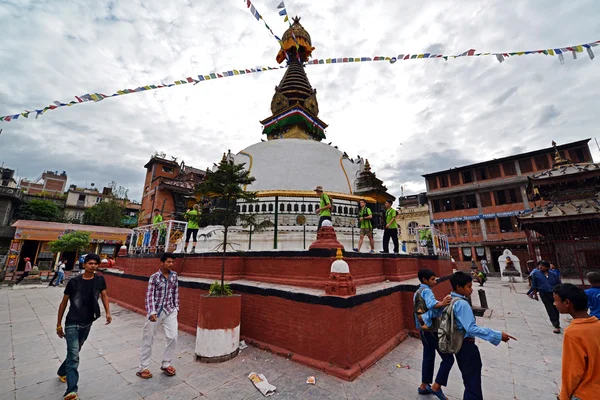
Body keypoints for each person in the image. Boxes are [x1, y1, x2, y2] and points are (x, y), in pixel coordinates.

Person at [449, 271, 516, 400]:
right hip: (466, 345)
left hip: (457, 344)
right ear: (458, 287)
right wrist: (497, 335)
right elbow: (471, 328)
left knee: (469, 381)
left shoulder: (450, 300)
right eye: (468, 287)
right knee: (473, 384)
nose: (471, 290)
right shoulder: (462, 304)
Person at [56, 254, 111, 400]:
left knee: (76, 351)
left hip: (87, 322)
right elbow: (64, 303)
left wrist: (108, 313)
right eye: (90, 263)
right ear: (84, 264)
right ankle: (71, 391)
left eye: (95, 264)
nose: (93, 266)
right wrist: (58, 325)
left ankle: (62, 371)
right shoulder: (74, 282)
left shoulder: (99, 280)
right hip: (72, 323)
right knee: (74, 356)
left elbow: (104, 295)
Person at [553, 283, 600, 400]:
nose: (554, 304)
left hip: (585, 393)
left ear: (567, 303)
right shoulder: (597, 325)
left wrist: (563, 396)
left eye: (556, 300)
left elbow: (573, 371)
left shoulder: (573, 332)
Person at [137, 252, 179, 380]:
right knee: (148, 339)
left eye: (172, 262)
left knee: (173, 337)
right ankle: (143, 367)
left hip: (170, 310)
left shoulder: (174, 276)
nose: (171, 264)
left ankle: (166, 363)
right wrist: (151, 312)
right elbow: (149, 295)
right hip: (155, 312)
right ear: (161, 263)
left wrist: (176, 307)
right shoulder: (154, 277)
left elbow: (175, 292)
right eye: (168, 262)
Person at [414, 269, 453, 400]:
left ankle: (424, 385)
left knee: (428, 355)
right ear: (425, 280)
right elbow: (431, 304)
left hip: (423, 329)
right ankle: (436, 386)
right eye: (432, 279)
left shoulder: (417, 292)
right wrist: (443, 303)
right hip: (431, 329)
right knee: (448, 359)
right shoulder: (426, 291)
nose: (435, 281)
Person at [531, 260, 562, 333]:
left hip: (554, 293)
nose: (540, 267)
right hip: (543, 293)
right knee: (550, 308)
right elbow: (534, 285)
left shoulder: (553, 274)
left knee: (556, 308)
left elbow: (558, 284)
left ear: (547, 267)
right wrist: (535, 294)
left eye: (542, 265)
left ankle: (557, 321)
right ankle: (556, 325)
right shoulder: (536, 274)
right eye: (539, 265)